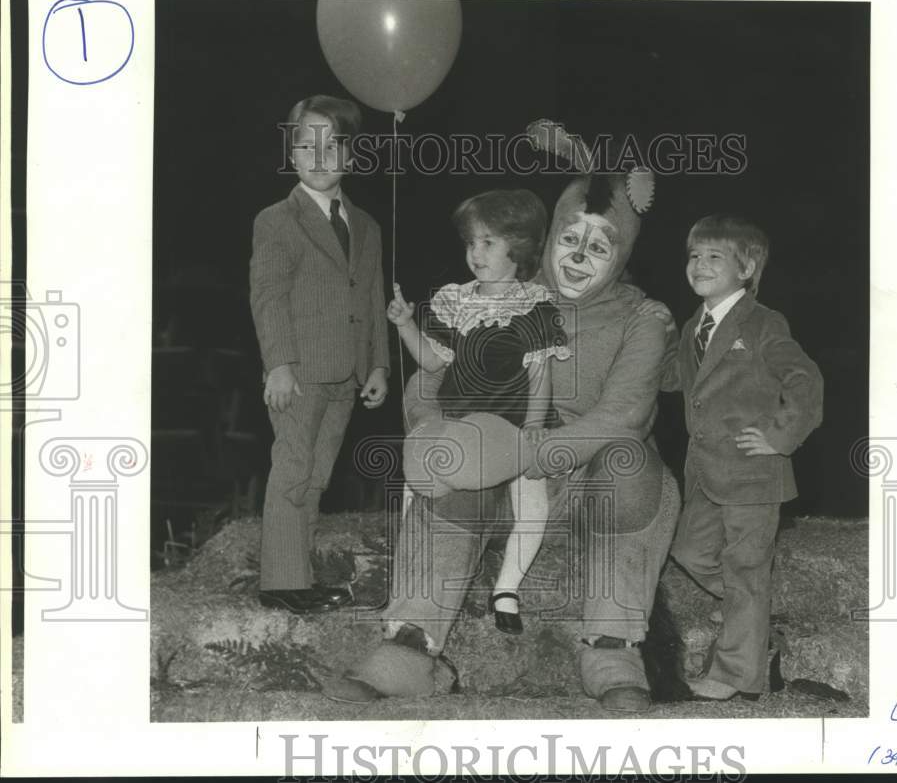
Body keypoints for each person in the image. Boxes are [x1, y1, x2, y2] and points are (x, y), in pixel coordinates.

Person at [327, 122, 688, 713]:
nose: (579, 257)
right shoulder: (503, 290)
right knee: (451, 448)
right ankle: (411, 646)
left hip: (579, 480)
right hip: (490, 466)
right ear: (548, 239)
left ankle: (611, 645)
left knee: (633, 464)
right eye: (571, 237)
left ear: (621, 256)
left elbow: (624, 414)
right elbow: (431, 375)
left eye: (600, 246)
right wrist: (426, 426)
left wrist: (535, 452)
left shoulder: (643, 317)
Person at [387, 189, 569, 635]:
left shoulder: (534, 305)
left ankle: (506, 589)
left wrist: (532, 424)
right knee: (419, 478)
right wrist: (405, 325)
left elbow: (539, 373)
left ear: (520, 248)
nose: (475, 253)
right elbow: (433, 361)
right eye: (471, 242)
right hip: (459, 427)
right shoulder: (455, 299)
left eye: (488, 242)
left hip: (511, 427)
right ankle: (404, 572)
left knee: (532, 501)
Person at [661, 214, 823, 701]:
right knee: (689, 551)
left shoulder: (762, 322)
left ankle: (735, 676)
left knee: (747, 570)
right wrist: (655, 335)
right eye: (693, 255)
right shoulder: (696, 323)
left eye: (715, 257)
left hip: (754, 472)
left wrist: (780, 435)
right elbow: (676, 380)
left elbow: (805, 381)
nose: (699, 264)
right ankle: (745, 612)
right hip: (706, 472)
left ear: (747, 268)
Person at [249, 95, 390, 615]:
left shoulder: (367, 226)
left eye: (334, 144)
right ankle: (279, 583)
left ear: (352, 156)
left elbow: (370, 296)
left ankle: (298, 577)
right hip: (299, 373)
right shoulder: (276, 221)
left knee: (318, 475)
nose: (320, 154)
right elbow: (267, 296)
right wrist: (279, 365)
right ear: (291, 151)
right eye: (307, 143)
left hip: (345, 375)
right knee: (292, 470)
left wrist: (377, 363)